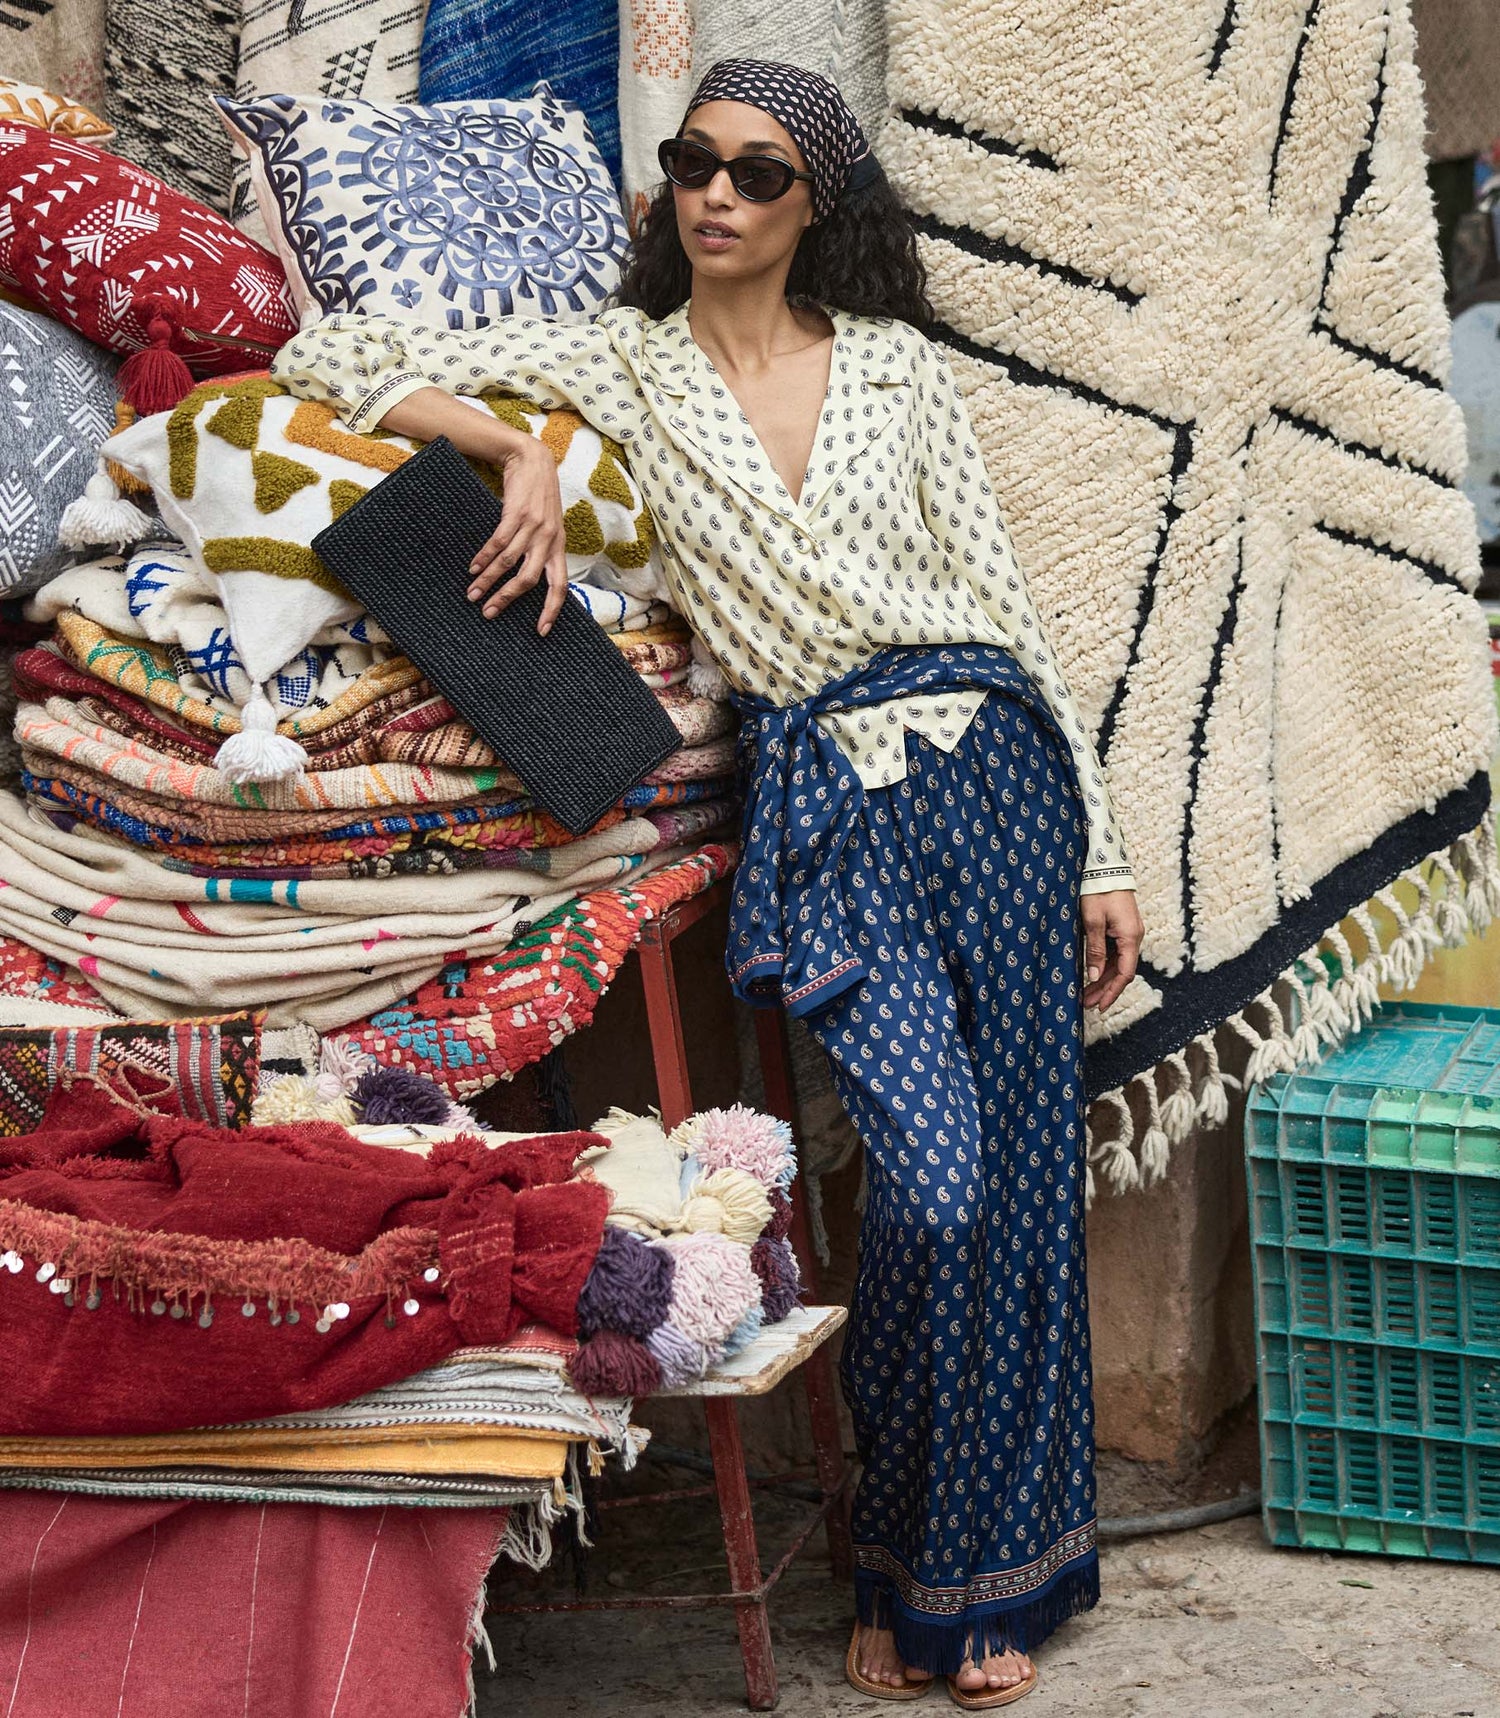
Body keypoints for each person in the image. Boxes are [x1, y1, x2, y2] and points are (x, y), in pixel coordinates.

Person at [273, 57, 1143, 1708]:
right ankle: (900, 1542)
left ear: (818, 205)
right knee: (931, 1181)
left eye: (758, 169)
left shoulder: (897, 370)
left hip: (1004, 780)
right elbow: (328, 354)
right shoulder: (626, 364)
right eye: (694, 163)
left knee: (1020, 1185)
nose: (719, 191)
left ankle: (967, 1579)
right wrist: (513, 450)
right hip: (832, 796)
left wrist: (1098, 843)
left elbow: (1010, 609)